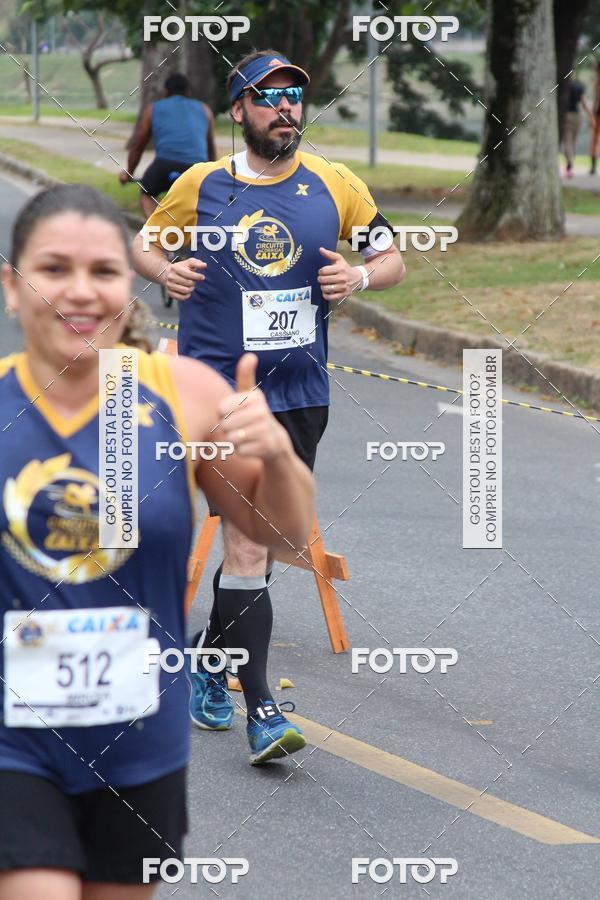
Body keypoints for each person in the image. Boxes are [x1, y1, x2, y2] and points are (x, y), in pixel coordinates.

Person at [0, 183, 314, 897]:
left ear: (128, 284)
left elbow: (281, 538)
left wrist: (280, 456)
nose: (80, 293)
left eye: (104, 272)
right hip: (13, 735)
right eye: (53, 270)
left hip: (140, 739)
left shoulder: (185, 394)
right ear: (13, 288)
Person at [131, 49, 406, 765]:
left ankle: (205, 661)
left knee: (268, 545)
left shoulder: (335, 184)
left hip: (302, 391)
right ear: (239, 110)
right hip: (220, 393)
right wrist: (168, 270)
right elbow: (142, 243)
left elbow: (392, 255)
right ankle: (265, 712)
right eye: (267, 96)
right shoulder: (200, 185)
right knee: (250, 542)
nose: (285, 107)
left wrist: (361, 276)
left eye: (293, 95)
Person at [118, 73, 217, 217]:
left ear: (165, 92)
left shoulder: (153, 109)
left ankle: (156, 233)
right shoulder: (204, 109)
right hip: (198, 169)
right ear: (188, 92)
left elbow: (138, 146)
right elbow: (211, 151)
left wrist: (128, 173)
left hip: (164, 165)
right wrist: (211, 177)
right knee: (200, 201)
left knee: (147, 193)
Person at [563, 72, 592, 177]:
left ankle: (569, 164)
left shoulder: (563, 86)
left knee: (567, 141)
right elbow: (584, 103)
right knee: (574, 141)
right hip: (577, 115)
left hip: (566, 115)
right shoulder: (579, 86)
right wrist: (591, 116)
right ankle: (571, 164)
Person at [590, 62, 600, 175]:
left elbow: (597, 99)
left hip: (598, 113)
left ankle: (593, 167)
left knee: (595, 139)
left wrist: (592, 114)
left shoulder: (598, 82)